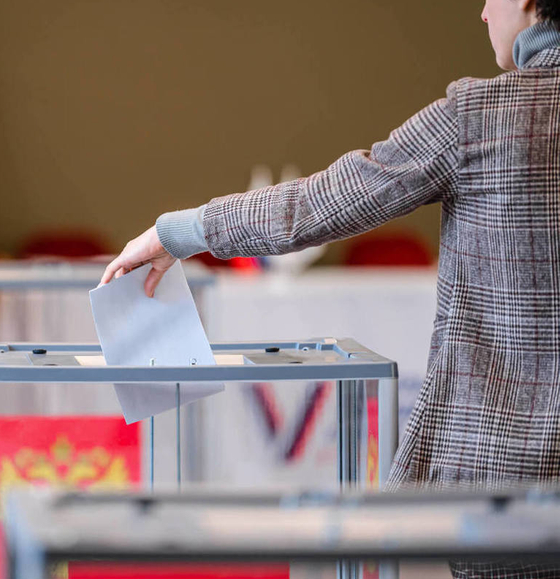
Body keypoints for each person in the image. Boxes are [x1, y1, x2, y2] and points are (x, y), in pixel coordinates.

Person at [101, 1, 560, 576]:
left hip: (506, 475)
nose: (484, 12)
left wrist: (180, 232)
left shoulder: (481, 115)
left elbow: (321, 203)